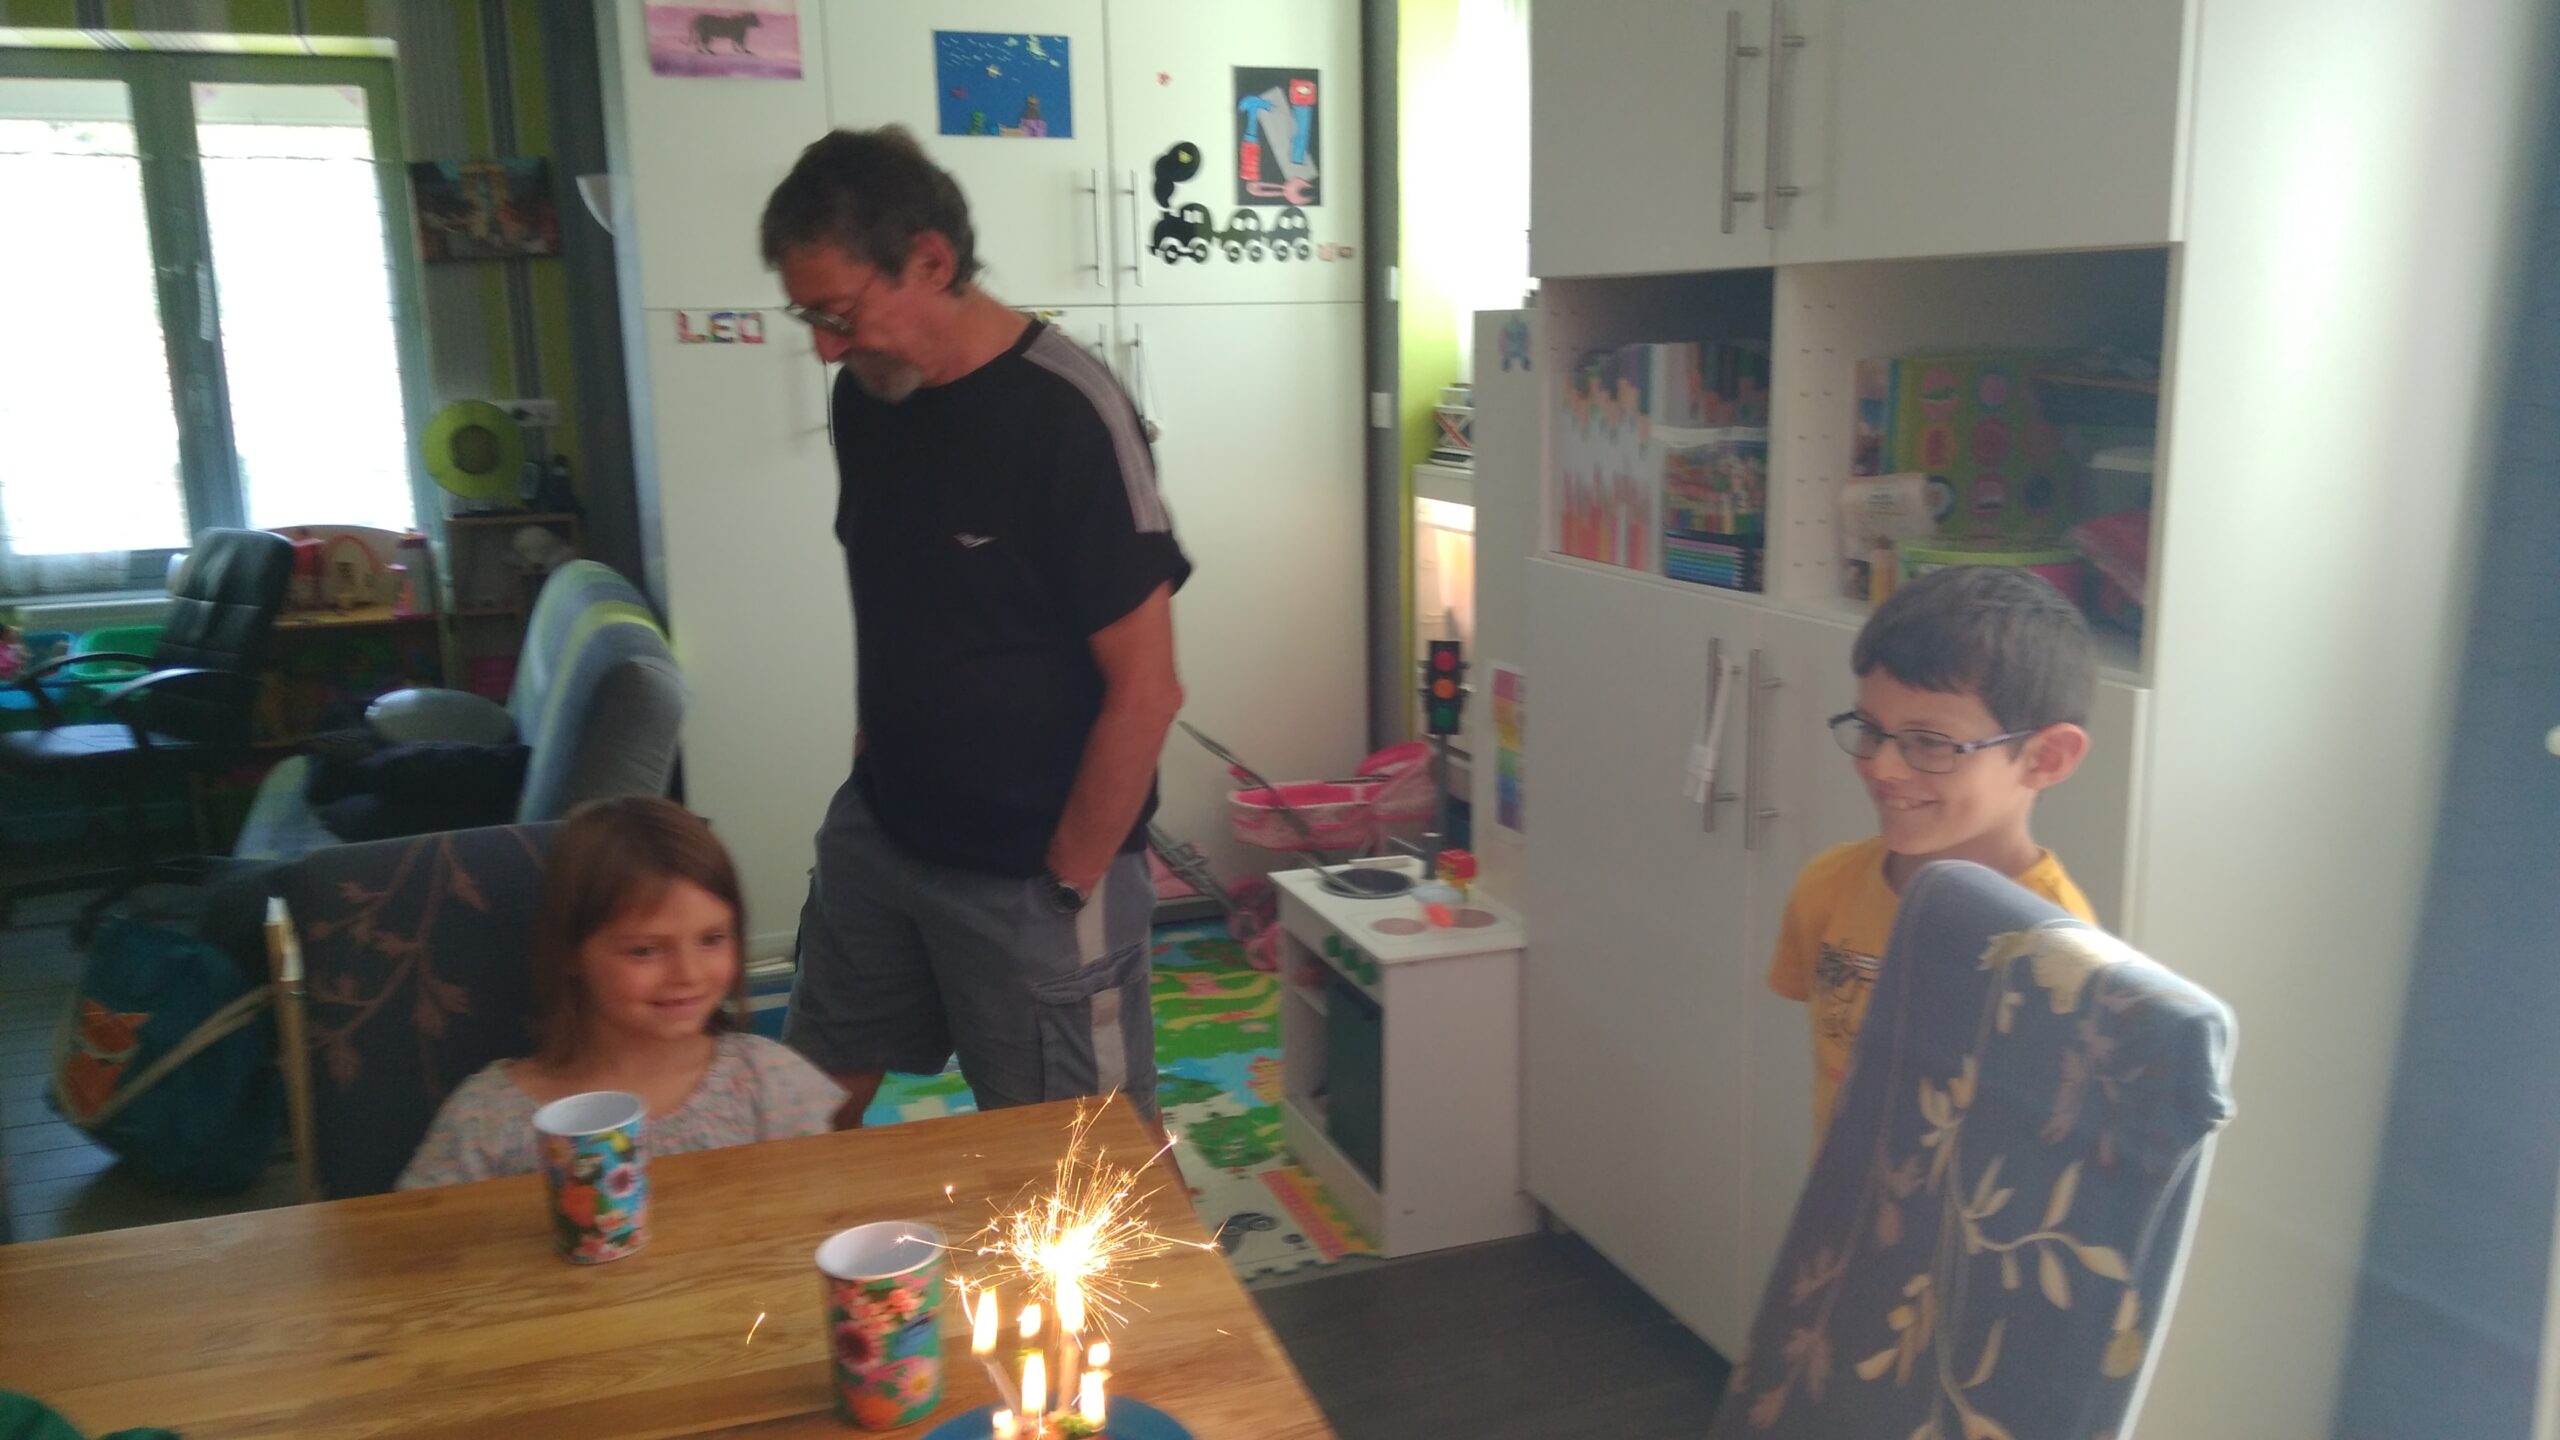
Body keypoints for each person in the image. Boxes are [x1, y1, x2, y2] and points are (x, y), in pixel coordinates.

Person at [758, 128, 1191, 1133]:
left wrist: (1065, 884)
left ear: (930, 261)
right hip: (882, 834)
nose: (825, 347)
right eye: (807, 317)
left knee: (1084, 1169)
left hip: (1031, 875)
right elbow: (900, 602)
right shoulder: (868, 402)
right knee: (804, 1115)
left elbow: (1148, 690)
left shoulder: (1069, 415)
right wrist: (869, 763)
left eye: (838, 314)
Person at [1767, 565, 2099, 1141]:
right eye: (1871, 730)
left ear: (2046, 759)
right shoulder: (1827, 887)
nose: (1881, 767)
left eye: (1929, 743)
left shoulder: (2060, 950)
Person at [396, 797, 842, 1189]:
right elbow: (409, 1244)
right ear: (569, 952)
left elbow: (833, 1212)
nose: (688, 974)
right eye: (645, 950)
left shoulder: (771, 1083)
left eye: (712, 939)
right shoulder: (488, 1119)